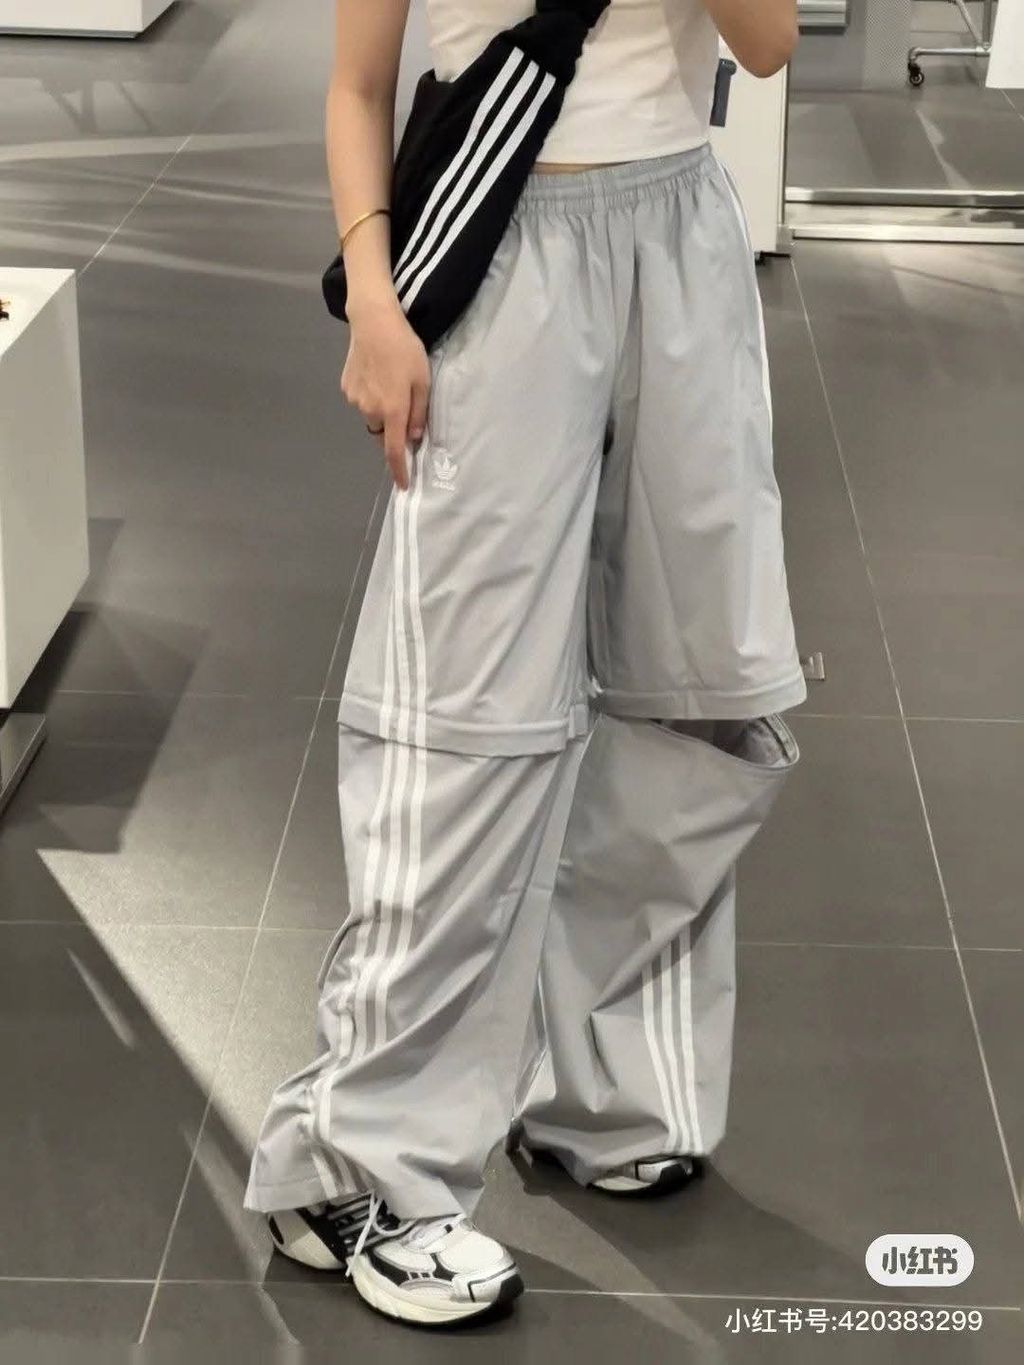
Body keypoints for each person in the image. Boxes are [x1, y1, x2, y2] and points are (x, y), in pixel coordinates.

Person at [245, 0, 805, 1328]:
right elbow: (357, 86)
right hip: (504, 250)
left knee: (695, 691)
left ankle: (603, 1091)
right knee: (465, 722)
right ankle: (358, 1163)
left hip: (683, 238)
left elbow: (769, 41)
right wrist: (374, 302)